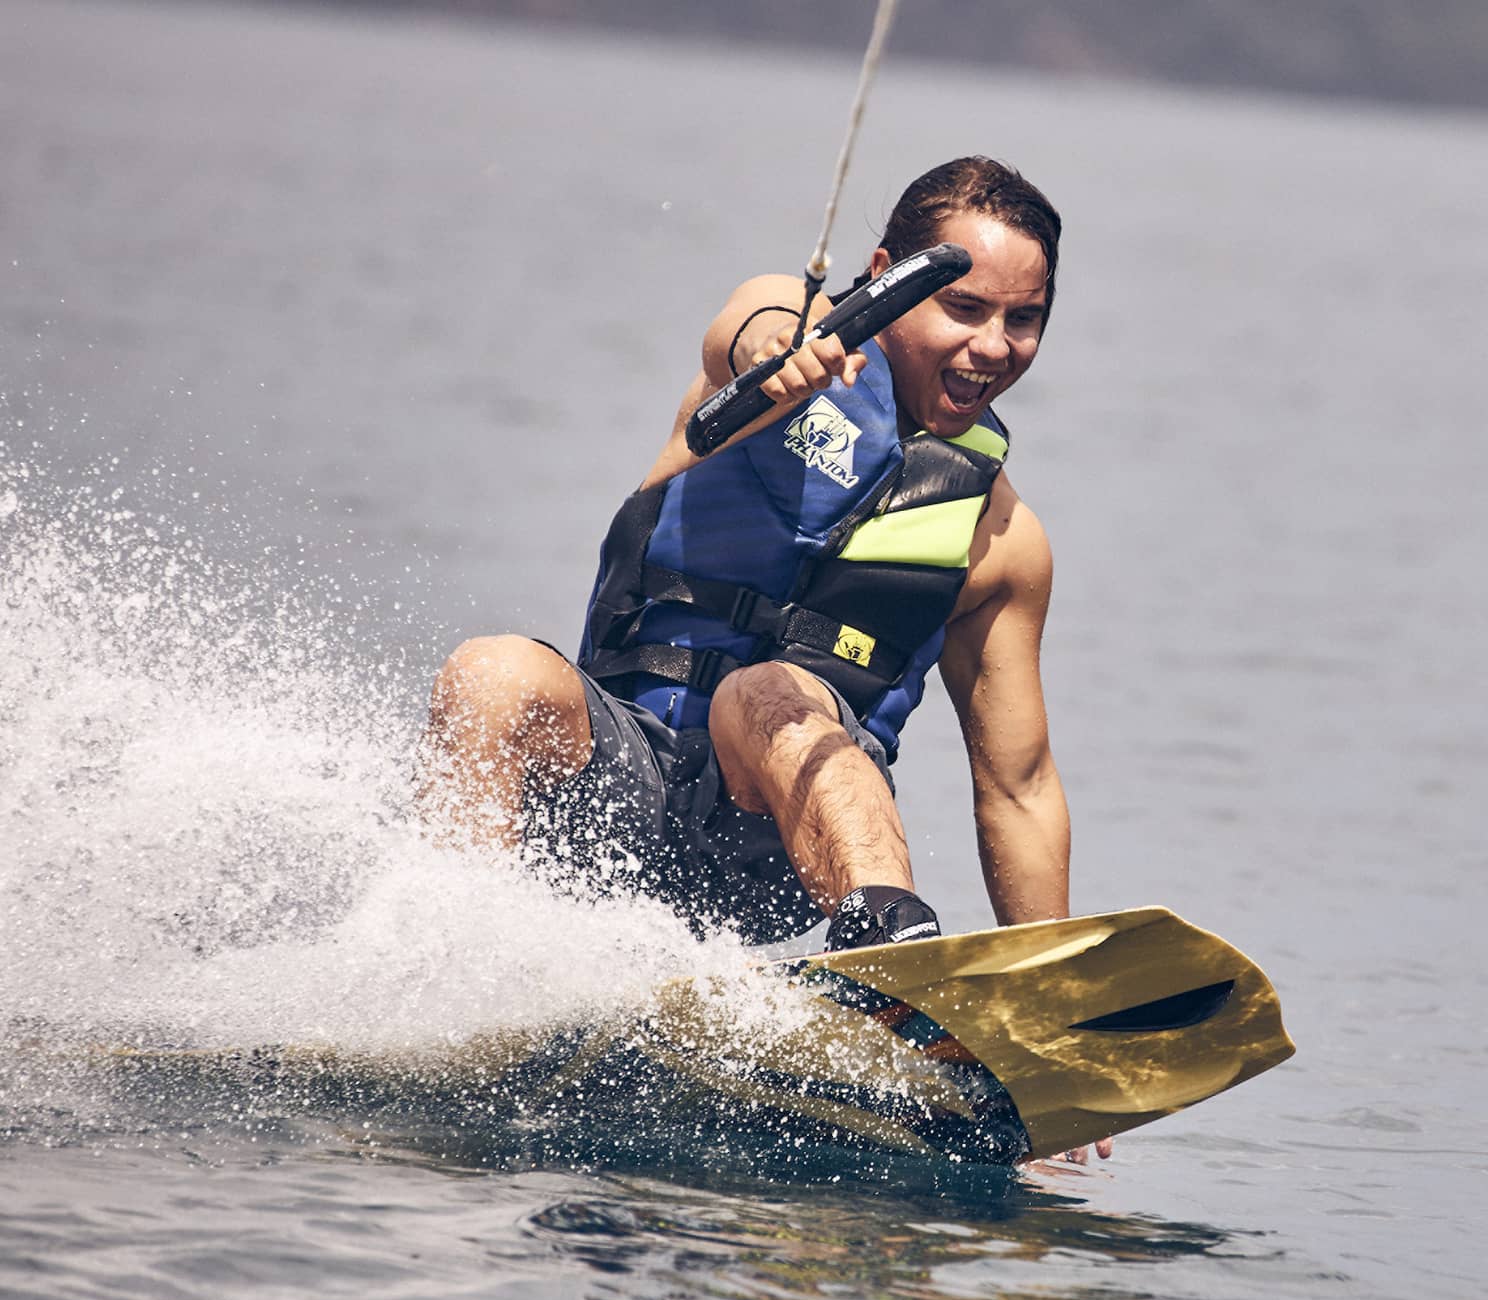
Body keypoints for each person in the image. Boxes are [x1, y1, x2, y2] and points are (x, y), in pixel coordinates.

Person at [424, 157, 1069, 965]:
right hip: (617, 790)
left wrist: (1050, 983)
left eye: (1023, 319)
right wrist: (780, 345)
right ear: (885, 278)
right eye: (964, 306)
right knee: (493, 669)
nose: (992, 347)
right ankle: (444, 959)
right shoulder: (765, 365)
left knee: (765, 693)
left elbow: (1018, 786)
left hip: (773, 846)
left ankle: (892, 961)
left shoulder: (1003, 540)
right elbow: (744, 327)